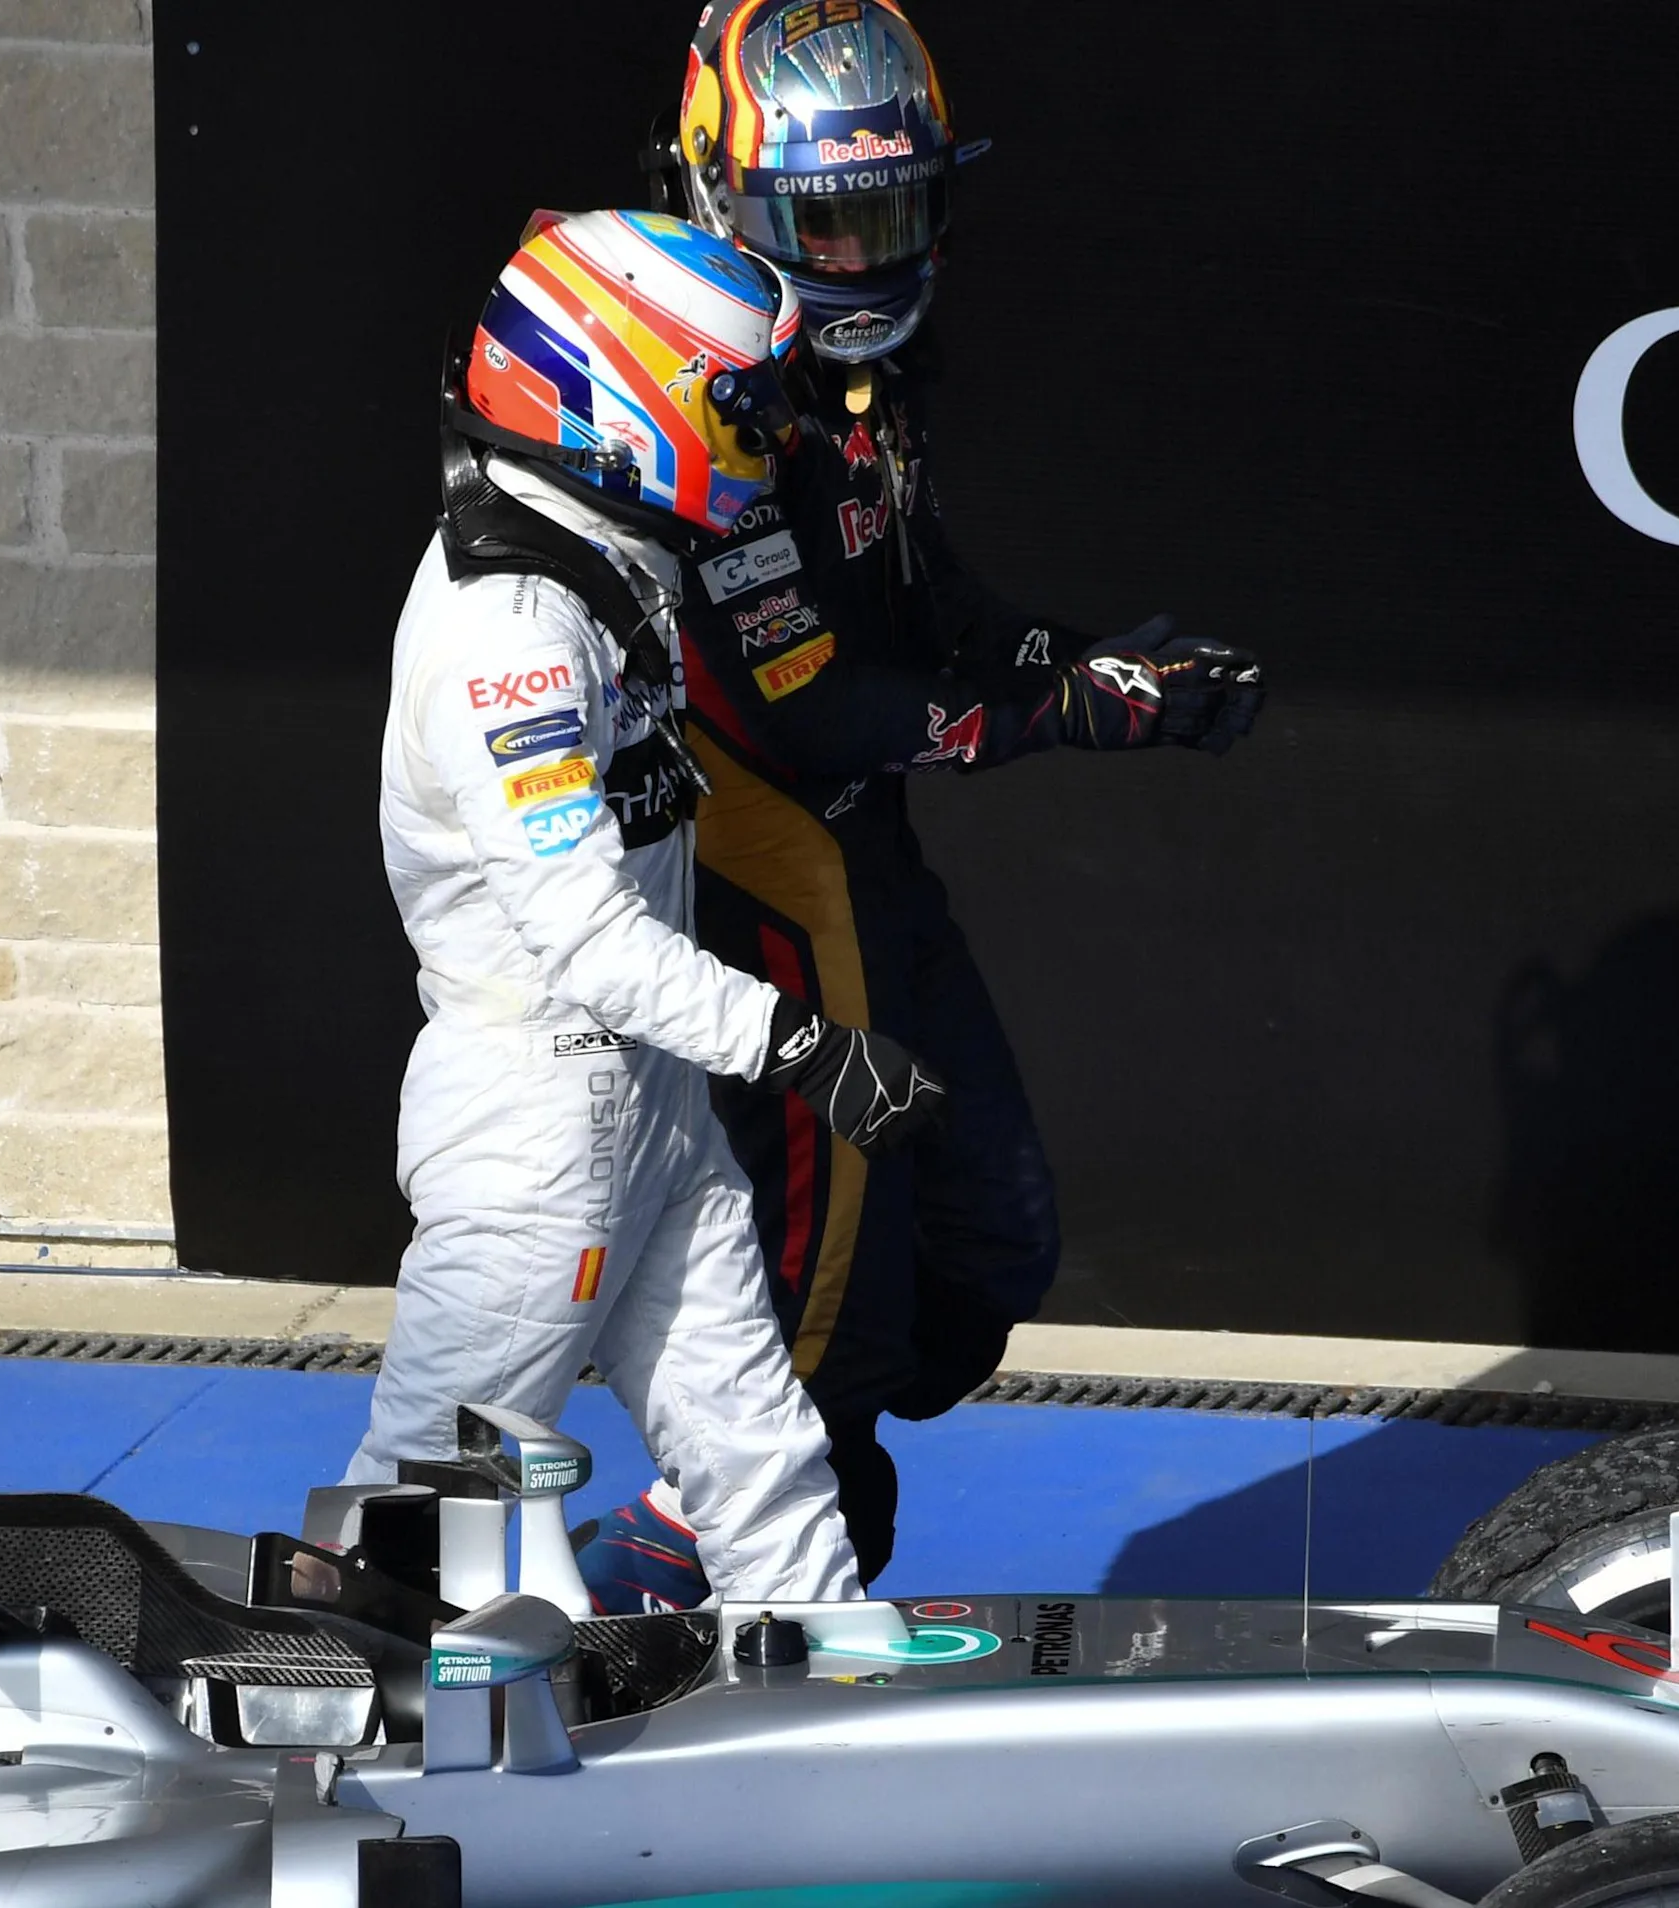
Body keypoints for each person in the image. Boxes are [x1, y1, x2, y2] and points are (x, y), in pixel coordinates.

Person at [579, 0, 1268, 1607]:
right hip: (759, 897)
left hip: (863, 859)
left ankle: (795, 1497)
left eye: (895, 211)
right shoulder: (699, 393)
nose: (868, 258)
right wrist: (1071, 711)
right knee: (829, 1314)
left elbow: (925, 598)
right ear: (720, 194)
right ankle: (655, 1594)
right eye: (830, 220)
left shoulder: (870, 374)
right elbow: (806, 699)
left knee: (989, 1244)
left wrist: (1086, 668)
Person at [350, 205, 953, 1607]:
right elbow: (590, 943)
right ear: (624, 401)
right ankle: (335, 1773)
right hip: (533, 1127)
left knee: (760, 1457)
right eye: (744, 406)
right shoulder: (509, 639)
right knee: (421, 1525)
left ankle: (824, 1674)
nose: (775, 436)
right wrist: (817, 1055)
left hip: (648, 1110)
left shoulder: (600, 548)